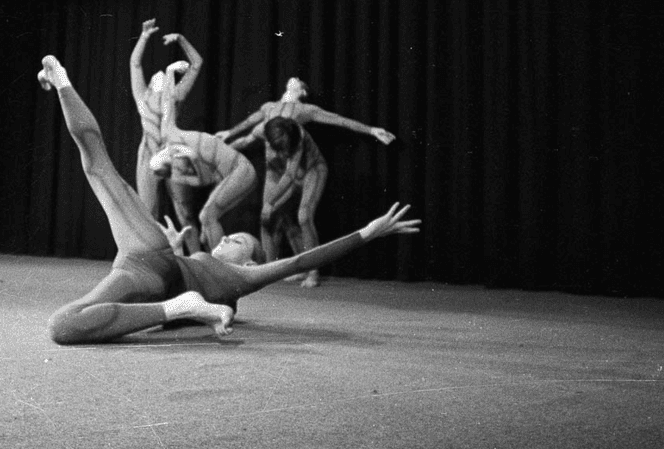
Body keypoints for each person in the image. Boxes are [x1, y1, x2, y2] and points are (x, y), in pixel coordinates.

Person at [37, 54, 421, 345]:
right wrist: (175, 247)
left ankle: (180, 308)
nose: (223, 239)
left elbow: (299, 261)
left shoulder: (241, 279)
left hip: (145, 265)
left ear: (250, 262)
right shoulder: (208, 262)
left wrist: (367, 234)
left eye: (236, 240)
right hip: (146, 262)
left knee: (99, 170)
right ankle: (63, 82)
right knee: (96, 173)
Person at [221, 78, 396, 287]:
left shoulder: (300, 126)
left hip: (311, 170)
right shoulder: (266, 116)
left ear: (302, 92)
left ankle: (312, 270)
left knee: (303, 216)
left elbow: (337, 120)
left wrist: (370, 130)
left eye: (297, 84)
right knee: (269, 218)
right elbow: (248, 129)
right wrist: (224, 142)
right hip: (276, 170)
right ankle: (270, 270)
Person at [148, 61, 257, 252]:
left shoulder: (169, 134)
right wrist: (192, 158)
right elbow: (205, 179)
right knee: (202, 217)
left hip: (240, 170)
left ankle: (216, 265)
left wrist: (170, 71)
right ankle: (208, 261)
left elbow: (168, 104)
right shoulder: (181, 167)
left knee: (207, 217)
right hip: (229, 172)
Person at [129, 18, 203, 219]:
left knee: (184, 213)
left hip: (172, 151)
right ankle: (153, 251)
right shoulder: (142, 98)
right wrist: (144, 36)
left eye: (164, 73)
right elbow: (135, 64)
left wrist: (180, 39)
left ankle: (194, 251)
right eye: (155, 75)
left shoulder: (175, 96)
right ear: (151, 85)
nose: (159, 73)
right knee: (147, 210)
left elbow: (196, 64)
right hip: (148, 154)